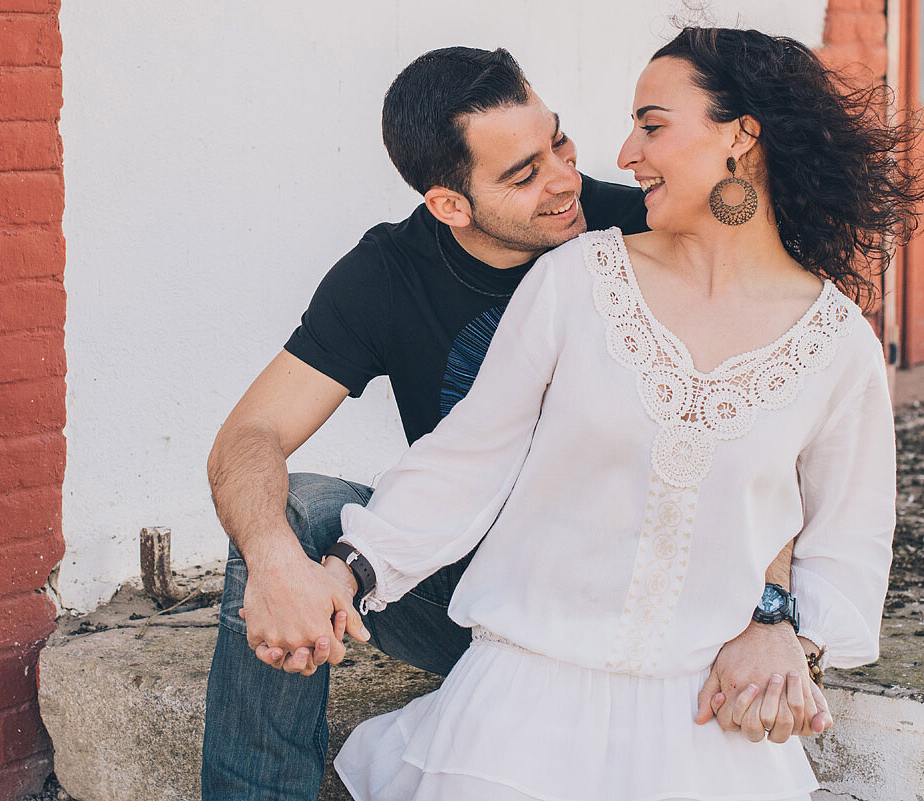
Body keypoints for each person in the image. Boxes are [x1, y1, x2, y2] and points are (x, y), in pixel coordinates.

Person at [203, 46, 831, 801]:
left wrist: (772, 613)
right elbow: (250, 436)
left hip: (635, 599)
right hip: (464, 585)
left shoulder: (642, 228)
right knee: (290, 513)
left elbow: (779, 427)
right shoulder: (388, 275)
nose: (567, 180)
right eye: (523, 174)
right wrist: (277, 566)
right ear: (450, 205)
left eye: (558, 144)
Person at [329, 27, 920, 801]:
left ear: (741, 135)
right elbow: (466, 459)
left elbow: (847, 542)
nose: (624, 152)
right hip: (519, 708)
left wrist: (786, 631)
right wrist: (352, 565)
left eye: (652, 123)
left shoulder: (838, 344)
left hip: (708, 722)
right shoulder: (578, 280)